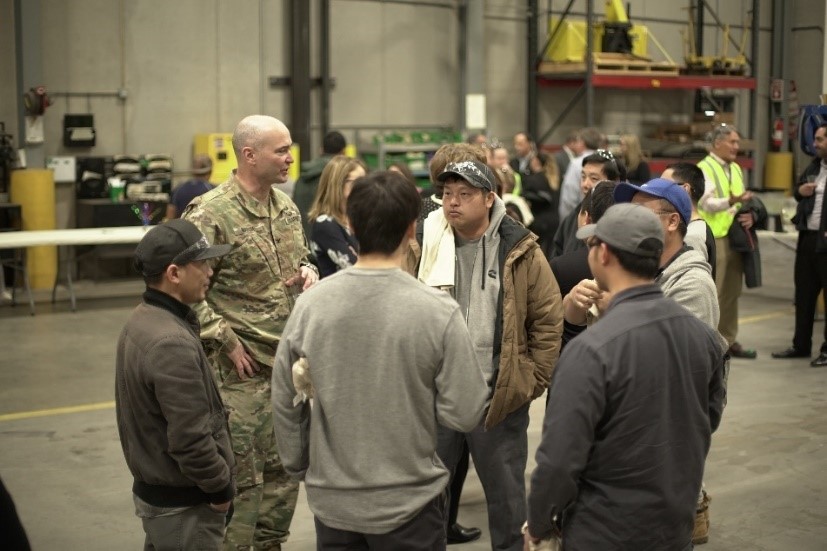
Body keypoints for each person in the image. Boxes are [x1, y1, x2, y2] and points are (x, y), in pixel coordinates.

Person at [272, 171, 488, 551]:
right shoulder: (437, 311)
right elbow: (466, 411)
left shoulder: (311, 306)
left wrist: (300, 463)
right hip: (411, 504)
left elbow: (284, 399)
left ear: (351, 225)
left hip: (334, 503)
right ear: (411, 229)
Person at [524, 203, 726, 550]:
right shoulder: (704, 337)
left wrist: (539, 523)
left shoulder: (591, 350)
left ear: (603, 254)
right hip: (674, 526)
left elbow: (559, 460)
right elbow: (706, 419)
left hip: (603, 531)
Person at [406, 160, 563, 551]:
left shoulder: (519, 247)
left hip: (497, 398)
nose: (452, 203)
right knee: (427, 498)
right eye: (446, 195)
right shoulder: (426, 243)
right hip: (437, 396)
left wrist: (528, 381)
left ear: (490, 198)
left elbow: (547, 319)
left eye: (464, 194)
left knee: (508, 501)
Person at [183, 115, 319, 550]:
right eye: (281, 150)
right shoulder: (210, 213)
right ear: (249, 155)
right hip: (238, 377)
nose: (289, 157)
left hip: (285, 372)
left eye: (289, 148)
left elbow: (303, 258)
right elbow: (183, 288)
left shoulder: (287, 208)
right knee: (241, 487)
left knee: (283, 480)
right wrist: (223, 336)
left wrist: (309, 271)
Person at [115, 219, 235, 550]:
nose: (210, 271)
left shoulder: (144, 318)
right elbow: (189, 438)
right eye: (202, 263)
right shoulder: (170, 342)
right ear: (174, 274)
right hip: (185, 506)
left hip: (164, 499)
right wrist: (220, 489)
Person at [697, 125, 757, 359]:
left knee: (732, 292)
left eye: (737, 142)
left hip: (735, 237)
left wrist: (749, 211)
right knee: (716, 291)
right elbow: (706, 203)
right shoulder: (705, 168)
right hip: (716, 237)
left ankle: (729, 339)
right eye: (732, 142)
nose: (736, 147)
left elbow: (740, 200)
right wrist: (733, 201)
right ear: (716, 144)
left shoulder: (735, 168)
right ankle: (711, 342)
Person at [773, 123, 827, 367]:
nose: (815, 144)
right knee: (804, 294)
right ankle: (800, 345)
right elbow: (797, 192)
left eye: (820, 139)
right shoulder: (815, 167)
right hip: (808, 238)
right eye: (815, 139)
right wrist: (800, 191)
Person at [550, 149, 624, 258]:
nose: (585, 184)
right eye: (583, 177)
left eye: (594, 178)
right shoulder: (572, 218)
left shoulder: (623, 221)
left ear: (614, 182)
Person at [307, 155, 366, 278]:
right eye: (358, 181)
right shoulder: (325, 225)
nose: (366, 186)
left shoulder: (358, 219)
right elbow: (354, 267)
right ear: (338, 184)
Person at [662, 162, 717, 280]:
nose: (659, 191)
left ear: (685, 189)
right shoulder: (691, 229)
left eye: (664, 185)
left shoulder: (692, 236)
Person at [293, 130, 347, 234]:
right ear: (343, 152)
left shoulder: (303, 175)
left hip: (303, 240)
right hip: (330, 242)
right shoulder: (341, 176)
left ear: (321, 150)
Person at [558, 127, 606, 219]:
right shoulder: (606, 161)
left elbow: (568, 198)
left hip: (580, 217)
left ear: (582, 142)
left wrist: (567, 224)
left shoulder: (576, 163)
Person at [521, 151, 561, 258]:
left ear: (536, 162)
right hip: (554, 220)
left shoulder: (533, 180)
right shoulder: (555, 178)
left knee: (539, 254)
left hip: (539, 221)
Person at [166, 154, 214, 219]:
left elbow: (170, 217)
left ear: (192, 172)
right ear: (210, 172)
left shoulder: (178, 189)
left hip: (181, 228)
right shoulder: (213, 190)